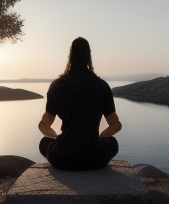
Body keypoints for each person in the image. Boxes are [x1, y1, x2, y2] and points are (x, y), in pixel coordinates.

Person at [38, 37, 122, 170]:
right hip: (95, 159)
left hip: (62, 159)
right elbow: (116, 125)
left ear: (70, 56)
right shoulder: (102, 86)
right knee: (113, 143)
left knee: (44, 142)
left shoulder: (56, 86)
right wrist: (97, 139)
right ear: (89, 55)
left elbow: (44, 125)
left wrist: (57, 138)